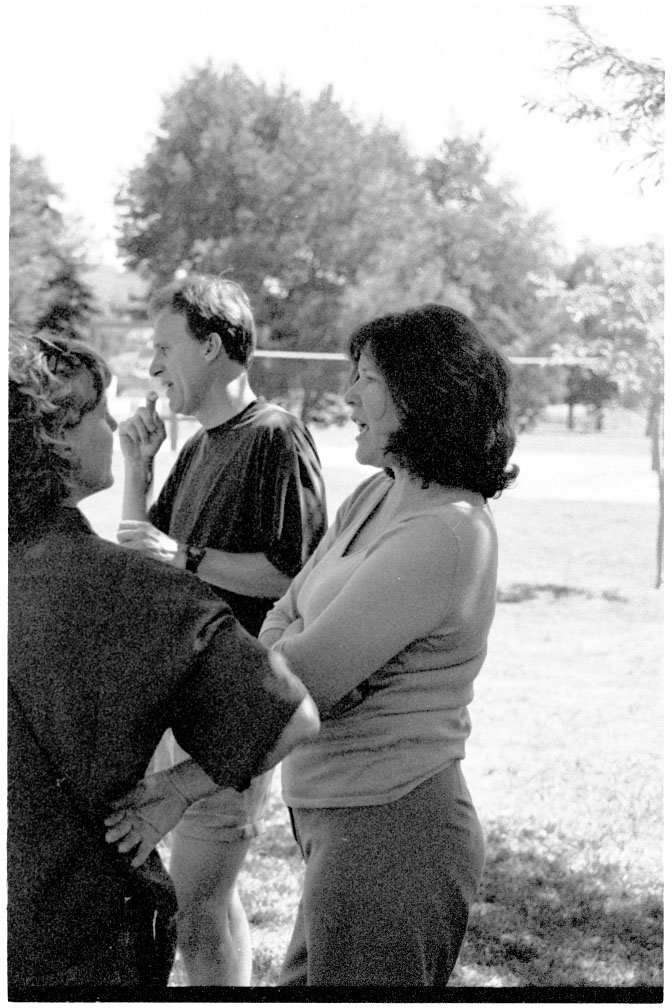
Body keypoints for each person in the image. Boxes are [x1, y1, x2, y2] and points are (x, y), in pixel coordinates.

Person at [7, 332, 319, 993]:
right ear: (55, 438)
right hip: (82, 935)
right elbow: (290, 715)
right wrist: (176, 790)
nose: (115, 423)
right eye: (99, 412)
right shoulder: (138, 591)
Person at [257, 303, 520, 986]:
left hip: (392, 830)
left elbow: (300, 682)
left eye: (366, 379)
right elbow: (283, 612)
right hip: (333, 817)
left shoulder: (445, 532)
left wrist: (304, 655)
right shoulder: (377, 495)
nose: (347, 395)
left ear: (422, 396)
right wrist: (308, 652)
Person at [115, 274, 327, 985]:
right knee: (203, 907)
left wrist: (187, 555)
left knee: (194, 907)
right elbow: (143, 562)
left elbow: (292, 573)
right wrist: (137, 467)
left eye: (163, 348)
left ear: (210, 346)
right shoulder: (199, 448)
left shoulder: (276, 436)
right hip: (179, 702)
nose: (153, 367)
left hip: (233, 707)